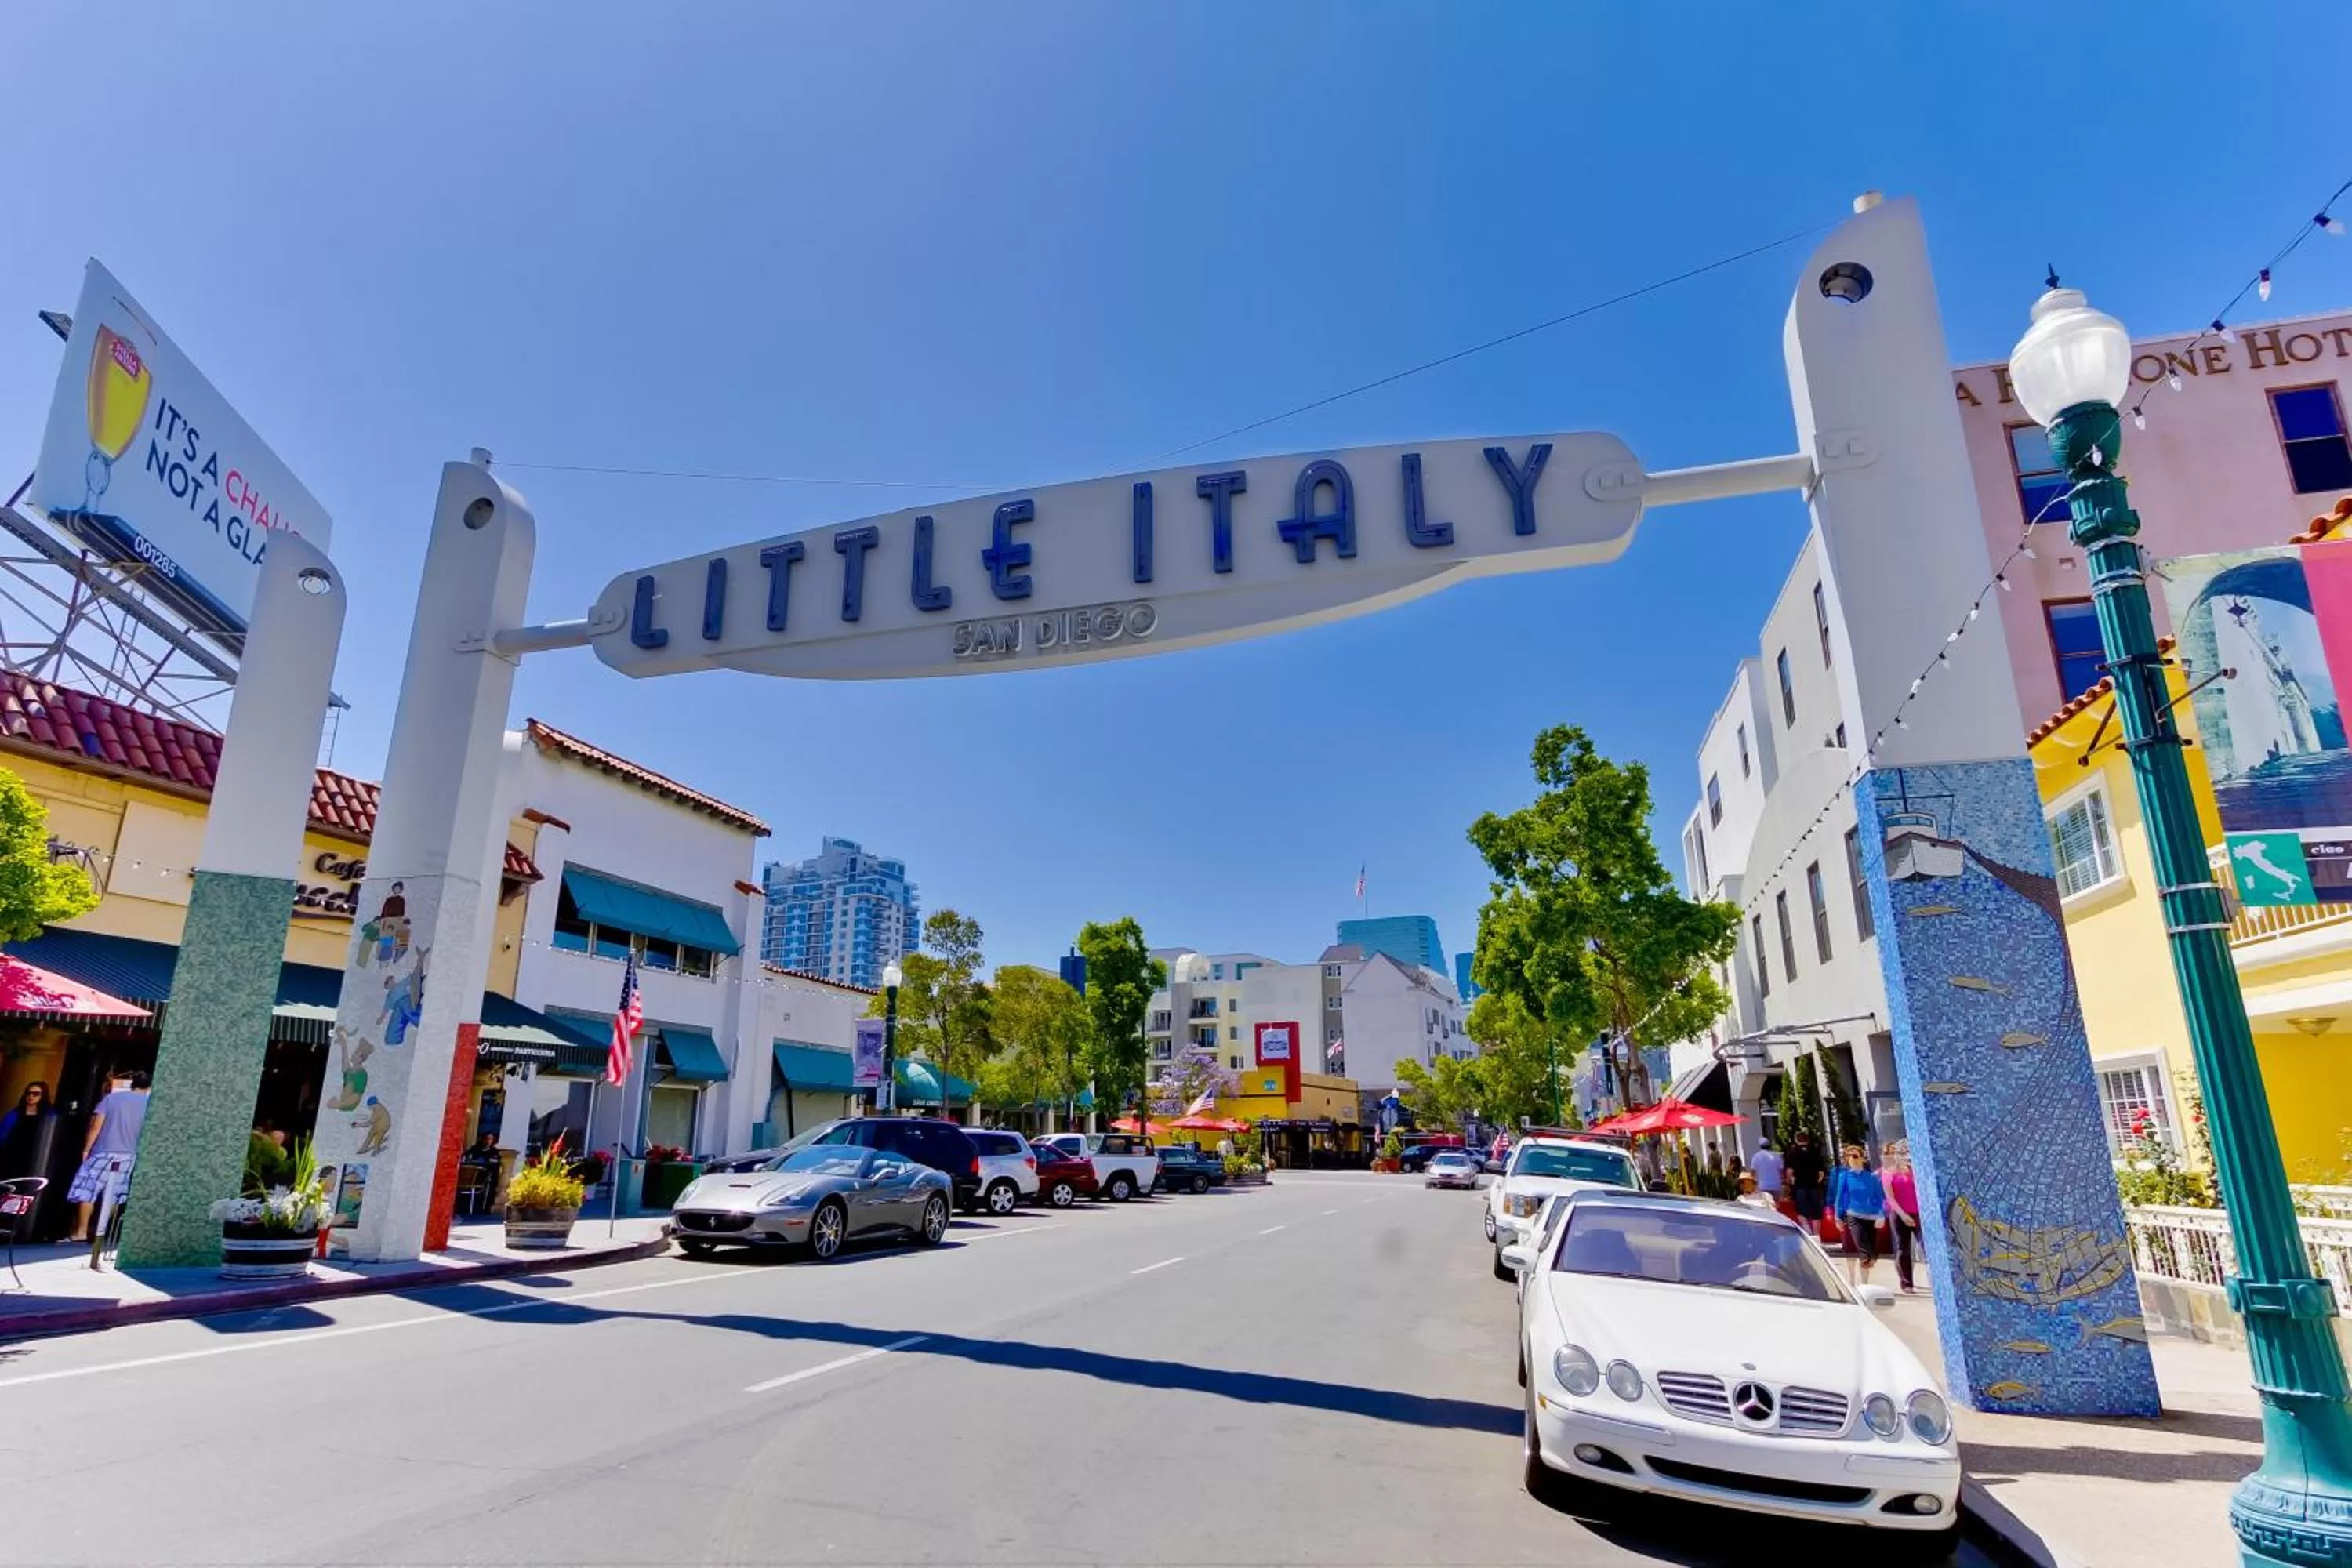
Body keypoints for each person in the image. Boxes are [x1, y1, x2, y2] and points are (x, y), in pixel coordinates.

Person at [66, 1069, 150, 1243]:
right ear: (149, 1086)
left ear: (132, 1083)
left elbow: (96, 1125)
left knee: (88, 1190)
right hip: (129, 1153)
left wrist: (86, 1149)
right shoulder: (149, 1104)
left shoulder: (112, 1098)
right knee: (114, 1192)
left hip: (103, 1150)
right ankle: (100, 1232)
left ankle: (81, 1232)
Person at [1827, 1142, 1888, 1286]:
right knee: (1863, 1250)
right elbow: (1839, 1197)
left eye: (1855, 1156)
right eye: (1848, 1157)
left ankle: (1865, 1280)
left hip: (1871, 1216)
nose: (1851, 1159)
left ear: (1862, 1159)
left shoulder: (1872, 1178)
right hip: (1853, 1215)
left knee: (1872, 1254)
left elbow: (1880, 1198)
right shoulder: (1845, 1177)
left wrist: (1881, 1214)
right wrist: (1837, 1217)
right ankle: (1860, 1283)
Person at [1881, 1138, 1922, 1293]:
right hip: (1899, 1215)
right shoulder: (1888, 1173)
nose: (1897, 1155)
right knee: (1903, 1248)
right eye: (1892, 1152)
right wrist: (1903, 1215)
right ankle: (1907, 1283)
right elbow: (1890, 1197)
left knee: (1925, 1245)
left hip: (1918, 1212)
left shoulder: (1912, 1170)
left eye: (1899, 1152)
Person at [0, 1081, 53, 1179]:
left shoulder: (49, 1116)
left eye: (36, 1094)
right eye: (28, 1093)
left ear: (43, 1096)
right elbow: (2, 1135)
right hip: (11, 1157)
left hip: (35, 1158)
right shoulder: (14, 1114)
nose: (31, 1096)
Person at [1784, 1131, 1828, 1224]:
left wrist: (1789, 1181)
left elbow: (1789, 1171)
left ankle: (1808, 1232)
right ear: (1808, 1140)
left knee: (1802, 1211)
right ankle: (1817, 1235)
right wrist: (1818, 1182)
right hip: (1814, 1186)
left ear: (1796, 1140)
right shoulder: (1815, 1152)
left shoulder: (1793, 1153)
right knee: (1816, 1213)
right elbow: (1821, 1172)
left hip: (1800, 1186)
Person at [1749, 1138, 1784, 1202]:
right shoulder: (1777, 1156)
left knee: (1766, 1206)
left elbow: (1752, 1172)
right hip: (1776, 1185)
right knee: (1775, 1205)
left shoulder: (1756, 1156)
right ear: (1769, 1145)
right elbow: (1781, 1171)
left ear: (1760, 1146)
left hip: (1763, 1186)